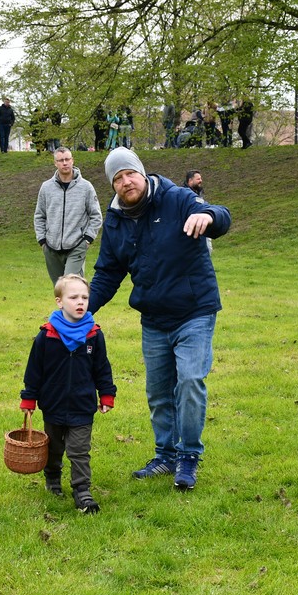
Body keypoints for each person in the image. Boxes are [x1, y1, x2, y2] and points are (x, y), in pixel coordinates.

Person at [89, 147, 231, 491]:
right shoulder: (116, 219)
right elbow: (108, 272)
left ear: (142, 173)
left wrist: (208, 216)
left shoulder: (177, 198)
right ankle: (165, 455)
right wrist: (81, 309)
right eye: (117, 179)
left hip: (194, 311)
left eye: (130, 174)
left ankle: (188, 455)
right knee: (158, 393)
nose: (126, 182)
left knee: (190, 381)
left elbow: (221, 216)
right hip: (154, 318)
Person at [20, 274, 117, 513]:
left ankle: (82, 490)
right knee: (53, 448)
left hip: (82, 405)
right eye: (73, 297)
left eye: (84, 297)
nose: (80, 302)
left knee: (79, 451)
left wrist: (106, 394)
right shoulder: (47, 335)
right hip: (53, 404)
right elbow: (34, 370)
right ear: (59, 301)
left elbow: (102, 368)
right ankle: (53, 477)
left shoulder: (94, 334)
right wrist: (29, 397)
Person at [33, 147, 102, 285]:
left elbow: (96, 216)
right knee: (59, 289)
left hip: (76, 245)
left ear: (72, 161)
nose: (64, 163)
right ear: (55, 163)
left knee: (71, 285)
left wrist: (87, 239)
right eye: (61, 160)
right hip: (51, 247)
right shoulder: (46, 187)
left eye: (67, 159)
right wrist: (42, 240)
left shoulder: (86, 187)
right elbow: (39, 215)